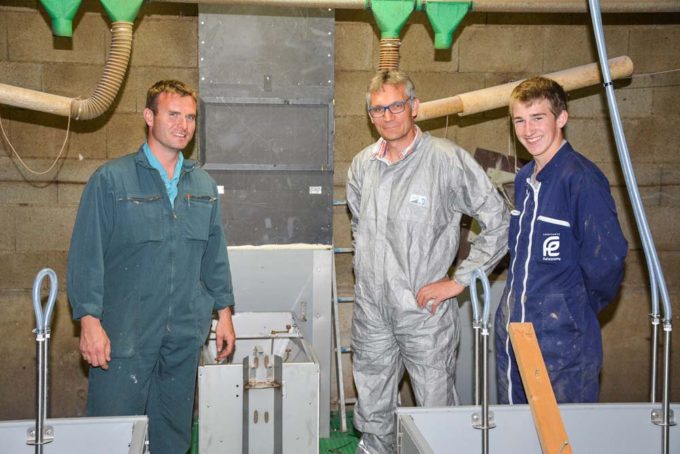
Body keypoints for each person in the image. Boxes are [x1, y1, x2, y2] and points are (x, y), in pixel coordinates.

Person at [67, 80, 235, 453]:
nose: (183, 125)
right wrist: (89, 321)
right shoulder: (112, 180)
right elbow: (86, 255)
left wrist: (224, 313)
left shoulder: (203, 185)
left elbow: (214, 256)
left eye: (190, 117)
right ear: (149, 117)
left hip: (182, 336)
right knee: (113, 435)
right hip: (123, 335)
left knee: (173, 437)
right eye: (173, 114)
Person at [346, 70, 509, 454]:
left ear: (414, 107)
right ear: (370, 115)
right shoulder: (362, 165)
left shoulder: (446, 160)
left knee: (436, 411)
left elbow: (498, 220)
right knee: (373, 408)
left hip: (424, 311)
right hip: (372, 312)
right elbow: (360, 228)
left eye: (396, 106)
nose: (387, 116)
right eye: (378, 109)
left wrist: (460, 280)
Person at [495, 76, 628, 405]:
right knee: (517, 434)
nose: (528, 130)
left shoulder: (580, 179)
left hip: (563, 346)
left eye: (538, 118)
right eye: (520, 120)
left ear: (562, 118)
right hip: (516, 335)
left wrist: (571, 310)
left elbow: (607, 261)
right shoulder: (525, 179)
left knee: (564, 437)